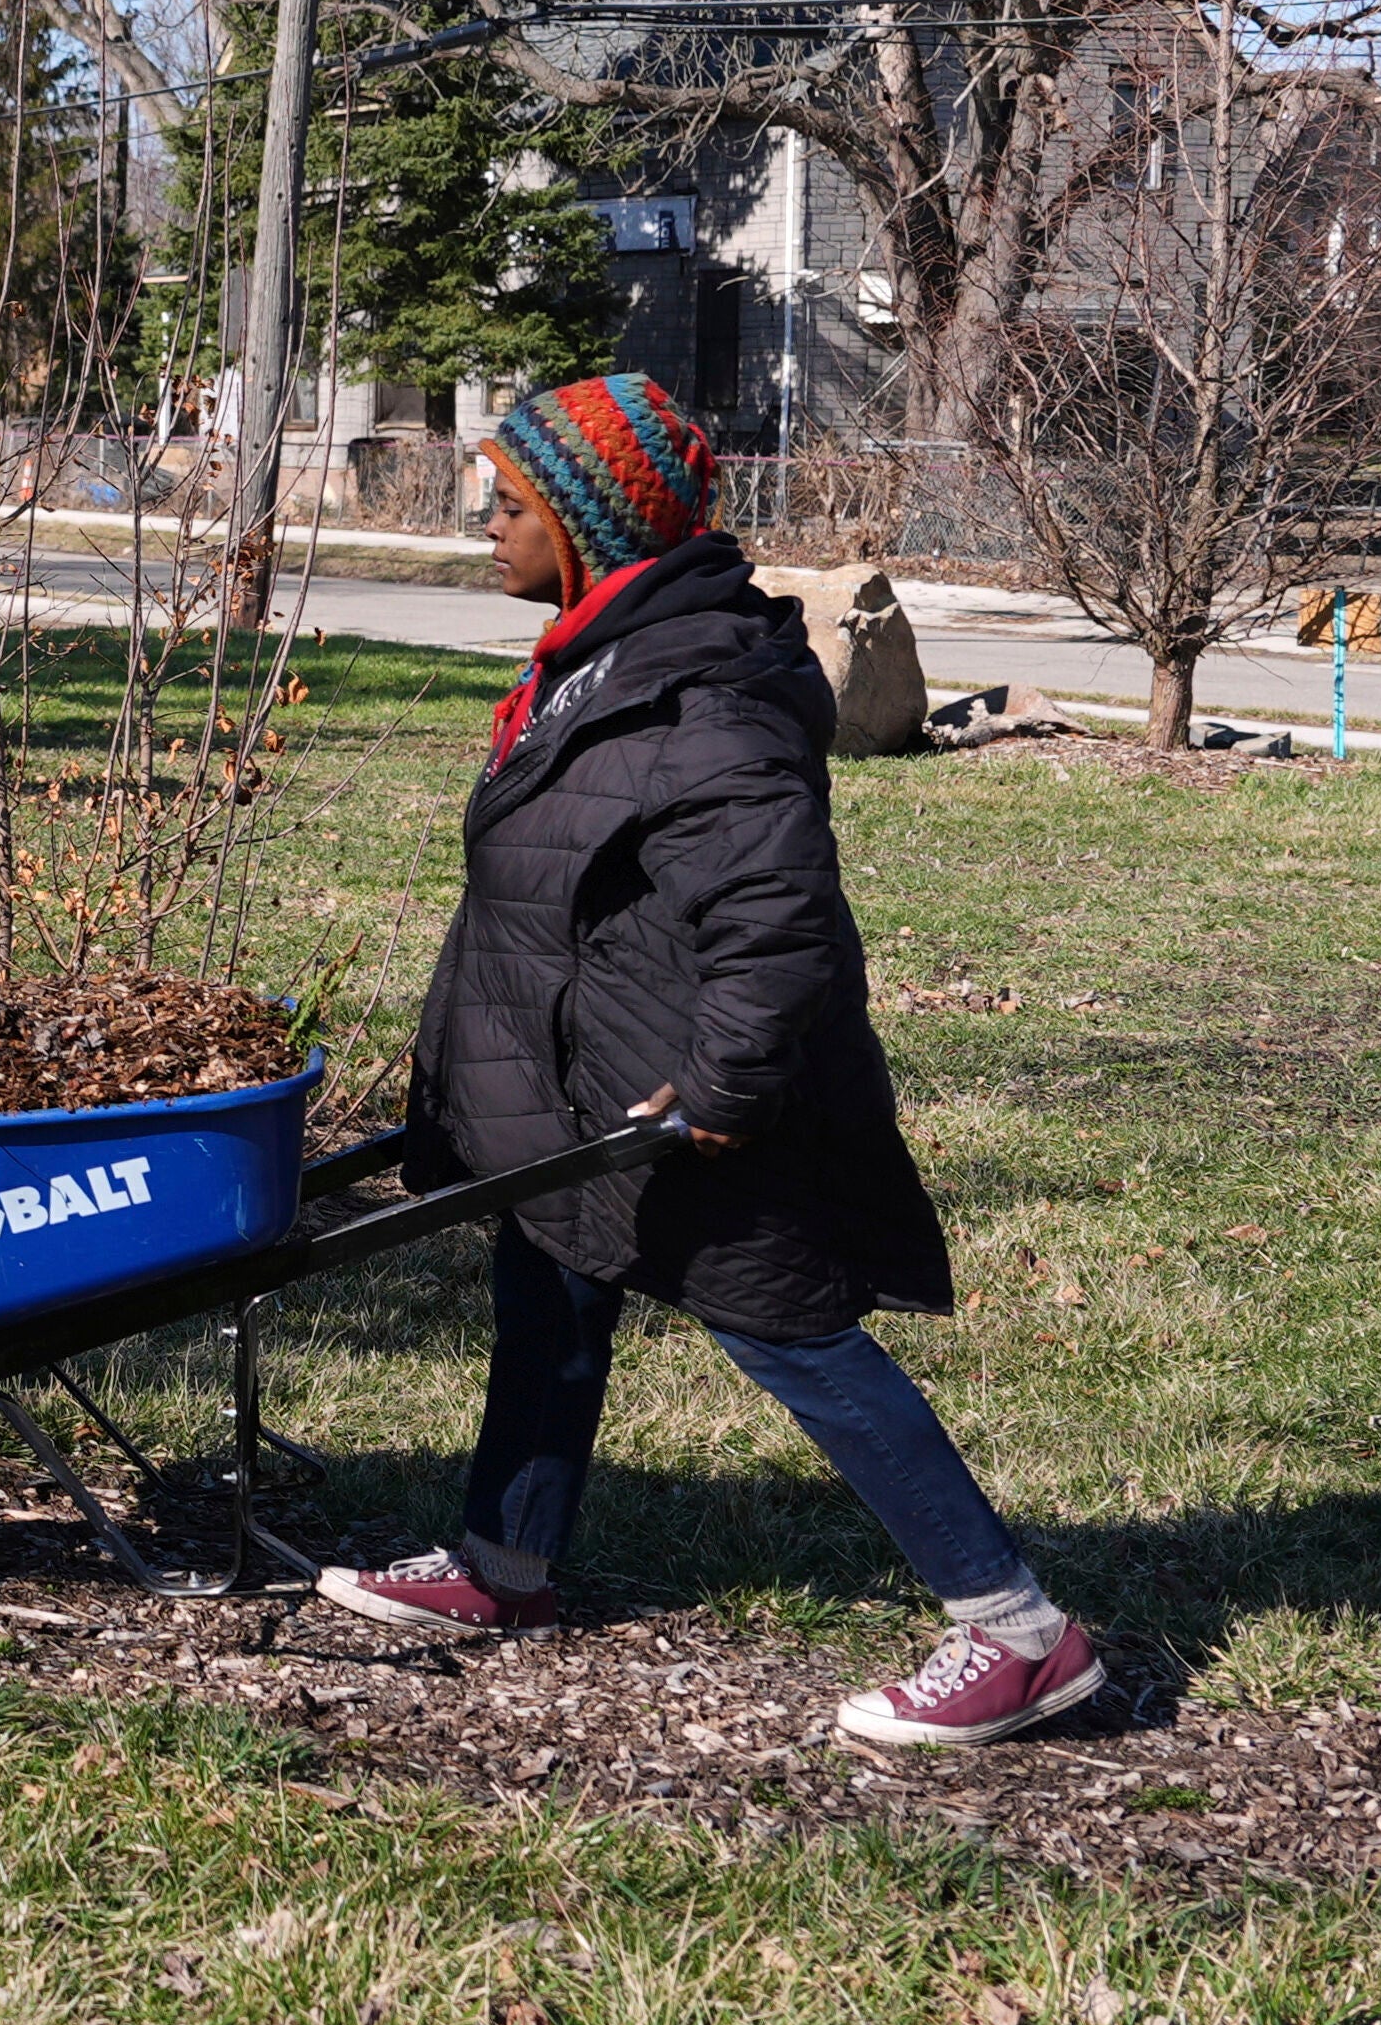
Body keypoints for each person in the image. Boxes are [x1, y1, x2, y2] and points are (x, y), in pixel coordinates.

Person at [314, 373, 1105, 1749]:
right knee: (549, 1295)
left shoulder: (701, 697)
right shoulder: (609, 650)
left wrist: (726, 1090)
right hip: (589, 1086)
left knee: (795, 1336)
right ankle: (505, 1565)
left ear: (585, 521)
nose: (483, 530)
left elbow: (781, 917)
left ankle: (1020, 1635)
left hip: (691, 1102)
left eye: (506, 507)